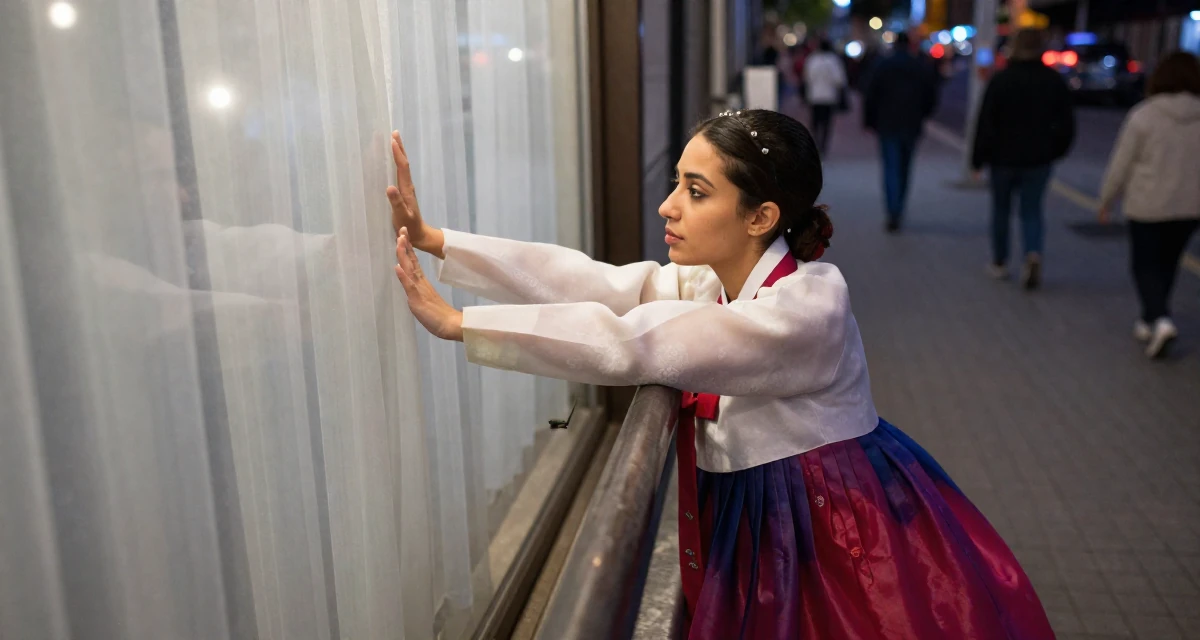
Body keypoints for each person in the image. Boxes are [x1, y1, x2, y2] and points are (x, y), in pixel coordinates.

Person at [386, 111, 1054, 639]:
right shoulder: (719, 282)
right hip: (773, 512)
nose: (667, 206)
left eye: (695, 191)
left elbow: (637, 340)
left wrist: (460, 323)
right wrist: (439, 240)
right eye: (678, 183)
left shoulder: (807, 307)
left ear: (761, 217)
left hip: (825, 526)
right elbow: (606, 284)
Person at [1099, 51, 1200, 358]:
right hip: (1190, 206)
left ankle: (1159, 318)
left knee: (1144, 264)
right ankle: (1149, 319)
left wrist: (1106, 200)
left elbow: (1122, 163)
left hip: (1148, 203)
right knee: (1169, 263)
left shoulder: (1144, 115)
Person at [971, 29, 1075, 290]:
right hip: (1038, 158)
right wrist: (1055, 150)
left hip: (1002, 157)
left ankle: (1000, 261)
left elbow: (985, 122)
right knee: (1032, 210)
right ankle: (1032, 252)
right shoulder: (1052, 81)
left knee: (1001, 210)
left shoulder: (1001, 80)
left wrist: (977, 159)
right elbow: (1066, 123)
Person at [864, 32, 939, 233]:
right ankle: (899, 206)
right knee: (905, 167)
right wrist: (923, 114)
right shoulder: (919, 66)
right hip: (911, 123)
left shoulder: (883, 65)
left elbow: (870, 93)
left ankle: (893, 210)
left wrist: (870, 121)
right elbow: (930, 94)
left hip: (887, 123)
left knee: (891, 167)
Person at [803, 39, 847, 155]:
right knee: (827, 122)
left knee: (815, 121)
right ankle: (823, 145)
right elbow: (839, 79)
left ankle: (816, 142)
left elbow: (807, 77)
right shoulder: (833, 60)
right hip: (829, 96)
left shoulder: (812, 60)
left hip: (814, 95)